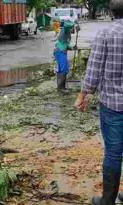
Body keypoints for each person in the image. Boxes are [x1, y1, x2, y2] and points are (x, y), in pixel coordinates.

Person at [76, 0, 123, 204]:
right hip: (112, 104)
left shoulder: (106, 33)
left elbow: (94, 69)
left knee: (113, 152)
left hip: (113, 104)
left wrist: (83, 95)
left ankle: (108, 200)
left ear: (112, 11)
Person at [53, 19, 75, 93]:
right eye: (72, 27)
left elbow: (65, 44)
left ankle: (63, 87)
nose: (73, 29)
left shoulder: (68, 32)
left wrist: (72, 48)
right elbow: (67, 25)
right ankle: (60, 88)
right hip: (60, 51)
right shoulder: (64, 30)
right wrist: (75, 24)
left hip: (62, 51)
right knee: (62, 69)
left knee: (65, 69)